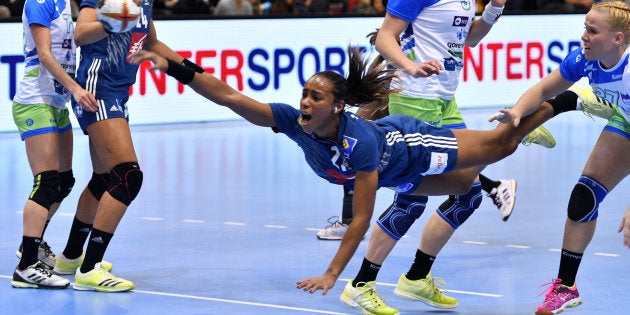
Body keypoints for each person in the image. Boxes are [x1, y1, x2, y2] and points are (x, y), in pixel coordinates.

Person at [129, 45, 562, 305]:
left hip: (411, 148)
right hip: (398, 175)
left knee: (499, 145)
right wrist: (172, 66)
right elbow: (228, 96)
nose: (304, 101)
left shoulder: (361, 144)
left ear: (337, 107)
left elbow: (360, 219)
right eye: (304, 93)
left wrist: (334, 274)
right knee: (466, 186)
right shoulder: (295, 125)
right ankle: (510, 144)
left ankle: (556, 105)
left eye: (315, 96)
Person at [335, 1, 557, 313]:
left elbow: (470, 38)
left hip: (443, 99)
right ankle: (360, 286)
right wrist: (410, 66)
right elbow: (386, 37)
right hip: (414, 97)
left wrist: (493, 9)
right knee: (411, 200)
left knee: (468, 193)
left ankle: (416, 277)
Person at [51, 0, 203, 292]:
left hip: (118, 92)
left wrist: (189, 69)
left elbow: (152, 43)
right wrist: (113, 22)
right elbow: (80, 34)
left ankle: (70, 258)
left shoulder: (144, 2)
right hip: (98, 90)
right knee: (128, 177)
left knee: (104, 180)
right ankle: (89, 269)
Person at [493, 1, 629, 314]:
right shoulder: (585, 58)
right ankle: (566, 288)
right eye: (584, 26)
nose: (584, 35)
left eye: (592, 31)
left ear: (618, 39)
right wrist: (517, 112)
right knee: (584, 197)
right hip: (626, 119)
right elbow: (543, 89)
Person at [10, 0, 98, 289]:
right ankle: (26, 267)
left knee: (64, 181)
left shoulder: (63, 3)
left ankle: (31, 247)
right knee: (46, 182)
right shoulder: (38, 2)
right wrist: (76, 89)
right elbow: (45, 54)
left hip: (55, 102)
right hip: (35, 100)